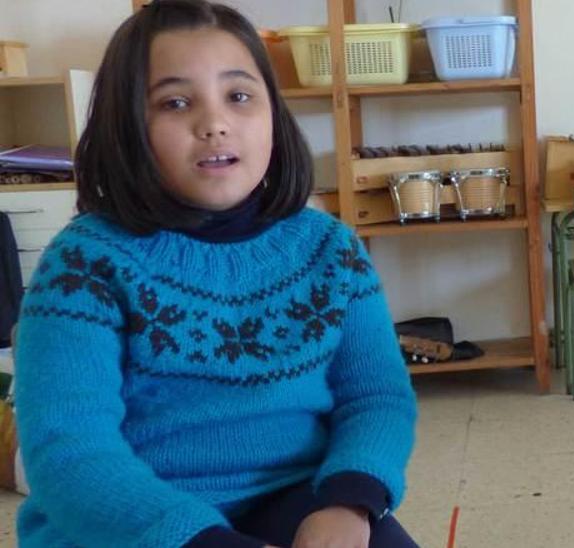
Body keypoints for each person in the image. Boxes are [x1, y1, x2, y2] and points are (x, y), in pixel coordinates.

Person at [13, 1, 418, 546]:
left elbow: (376, 398)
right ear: (127, 124)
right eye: (176, 102)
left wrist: (350, 502)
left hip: (296, 495)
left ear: (273, 113)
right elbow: (69, 451)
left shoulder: (331, 248)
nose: (215, 123)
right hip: (127, 520)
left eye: (239, 96)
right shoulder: (84, 263)